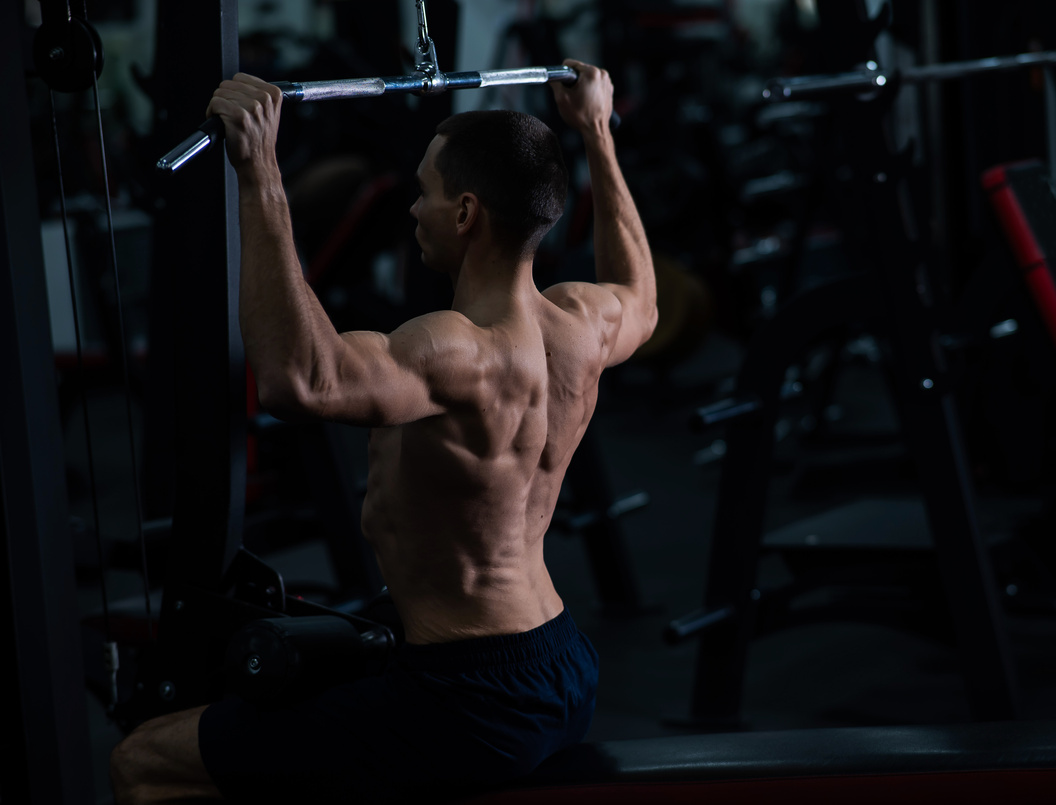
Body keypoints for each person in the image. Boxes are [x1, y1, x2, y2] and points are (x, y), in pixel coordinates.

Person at [109, 59, 656, 804]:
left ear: (466, 214)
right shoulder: (583, 324)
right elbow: (644, 298)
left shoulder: (455, 348)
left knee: (145, 761)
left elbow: (302, 380)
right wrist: (596, 128)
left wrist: (258, 170)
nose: (411, 209)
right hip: (559, 657)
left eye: (424, 193)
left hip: (467, 691)